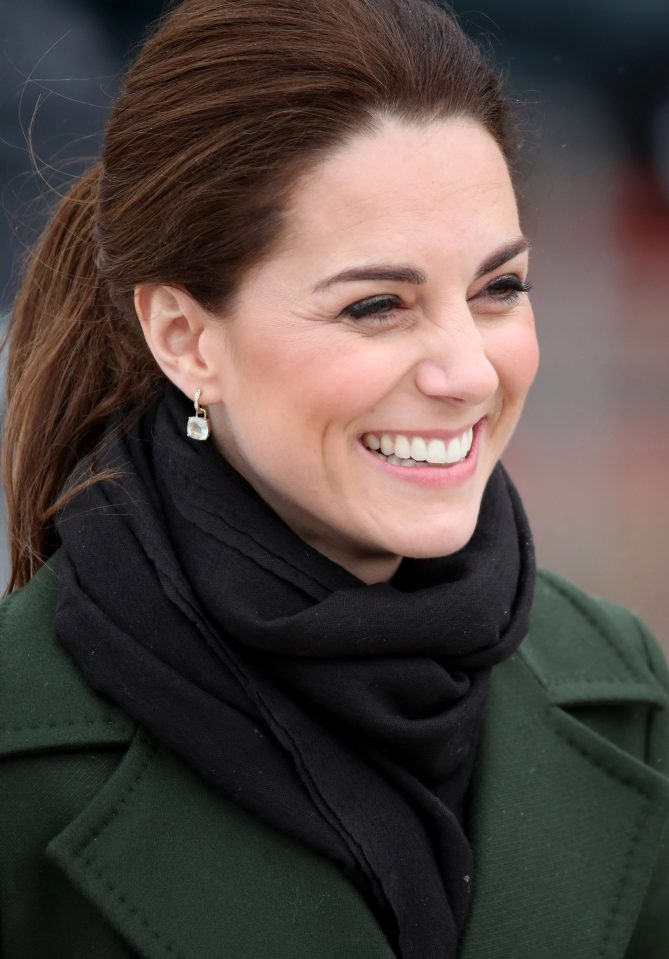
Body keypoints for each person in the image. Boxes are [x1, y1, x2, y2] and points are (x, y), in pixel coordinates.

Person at [1, 0, 667, 956]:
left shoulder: (622, 693)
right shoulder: (22, 754)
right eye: (375, 306)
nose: (468, 373)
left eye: (498, 289)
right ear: (185, 339)